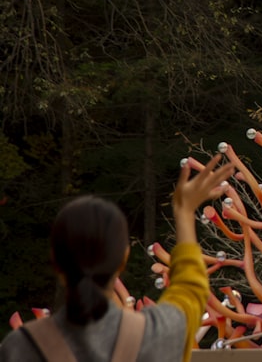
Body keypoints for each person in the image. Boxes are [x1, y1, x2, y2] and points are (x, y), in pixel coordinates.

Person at [0, 154, 235, 362]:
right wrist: (184, 212)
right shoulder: (158, 334)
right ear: (124, 258)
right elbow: (190, 289)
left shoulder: (20, 347)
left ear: (56, 261)